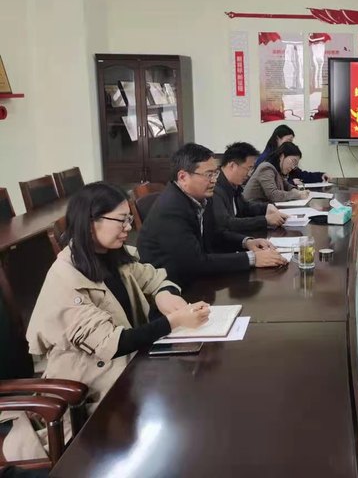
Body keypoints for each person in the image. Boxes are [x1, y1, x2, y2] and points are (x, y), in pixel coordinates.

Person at [0, 182, 210, 462]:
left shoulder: (112, 256)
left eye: (128, 218)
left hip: (129, 369)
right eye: (121, 220)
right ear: (90, 223)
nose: (128, 226)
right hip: (90, 390)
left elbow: (153, 276)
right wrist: (173, 321)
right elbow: (113, 343)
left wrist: (163, 293)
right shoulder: (66, 278)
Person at [137, 143, 288, 288]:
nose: (214, 180)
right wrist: (252, 258)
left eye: (215, 173)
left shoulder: (201, 197)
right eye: (208, 175)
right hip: (173, 287)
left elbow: (215, 233)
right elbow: (195, 263)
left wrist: (246, 242)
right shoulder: (171, 209)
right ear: (183, 177)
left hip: (196, 278)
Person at [213, 141, 288, 232]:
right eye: (249, 168)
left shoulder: (234, 186)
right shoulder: (215, 189)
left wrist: (267, 207)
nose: (249, 174)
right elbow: (227, 223)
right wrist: (265, 220)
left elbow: (245, 208)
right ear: (232, 166)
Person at [254, 124, 329, 186]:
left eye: (291, 142)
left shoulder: (287, 158)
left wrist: (320, 176)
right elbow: (269, 185)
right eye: (288, 141)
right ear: (277, 139)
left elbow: (299, 174)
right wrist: (290, 182)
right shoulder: (265, 161)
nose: (290, 144)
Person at [244, 142, 310, 204]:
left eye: (295, 165)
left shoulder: (277, 170)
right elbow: (273, 195)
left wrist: (295, 191)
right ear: (282, 156)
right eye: (293, 161)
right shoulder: (266, 168)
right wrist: (297, 195)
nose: (293, 167)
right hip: (251, 209)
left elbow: (286, 185)